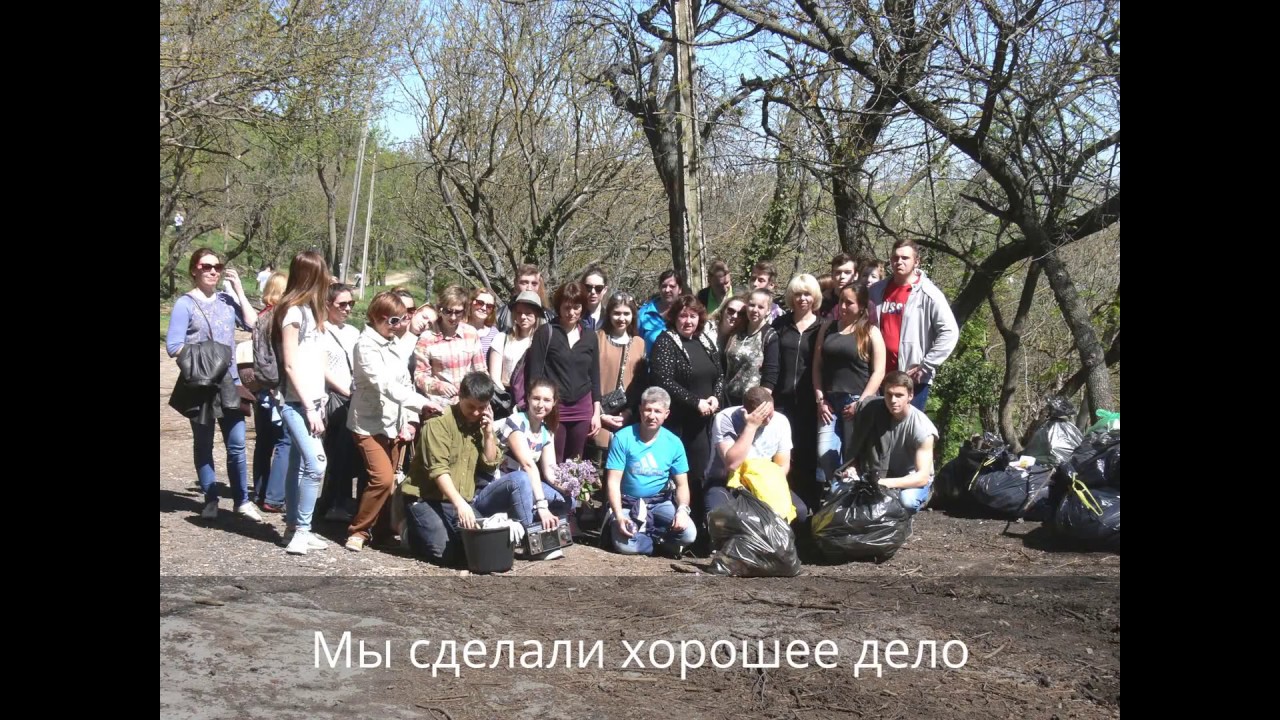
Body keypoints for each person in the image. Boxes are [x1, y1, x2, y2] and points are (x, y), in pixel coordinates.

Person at [401, 372, 537, 566]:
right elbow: (439, 471)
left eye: (481, 408)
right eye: (471, 407)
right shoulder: (438, 424)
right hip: (426, 498)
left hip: (456, 499)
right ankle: (411, 531)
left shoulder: (482, 424)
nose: (475, 413)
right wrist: (461, 505)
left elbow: (490, 464)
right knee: (445, 554)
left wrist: (488, 434)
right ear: (460, 397)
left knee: (479, 545)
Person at [166, 247, 261, 522]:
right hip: (201, 386)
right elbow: (173, 346)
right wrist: (206, 359)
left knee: (237, 444)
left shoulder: (226, 300)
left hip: (231, 383)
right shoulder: (185, 304)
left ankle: (242, 501)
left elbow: (253, 324)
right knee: (203, 444)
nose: (212, 271)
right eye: (206, 266)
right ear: (194, 270)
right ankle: (210, 499)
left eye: (217, 267)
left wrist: (239, 290)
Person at [344, 292, 436, 552]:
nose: (398, 326)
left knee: (393, 481)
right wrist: (421, 403)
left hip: (394, 422)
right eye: (393, 320)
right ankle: (359, 530)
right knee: (382, 478)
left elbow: (404, 382)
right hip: (367, 423)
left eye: (402, 319)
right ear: (376, 317)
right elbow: (384, 384)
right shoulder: (365, 345)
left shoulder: (393, 342)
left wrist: (409, 419)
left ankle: (381, 530)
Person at [274, 250, 335, 555]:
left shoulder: (313, 312)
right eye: (323, 273)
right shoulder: (293, 313)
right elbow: (289, 364)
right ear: (313, 276)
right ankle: (302, 530)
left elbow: (316, 362)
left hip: (313, 402)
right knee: (316, 463)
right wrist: (309, 407)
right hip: (295, 403)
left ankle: (292, 527)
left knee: (299, 465)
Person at [647, 294, 723, 520]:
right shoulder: (666, 341)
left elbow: (719, 374)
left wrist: (716, 397)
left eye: (693, 316)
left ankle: (700, 523)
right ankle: (678, 521)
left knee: (702, 473)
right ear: (674, 318)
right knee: (683, 474)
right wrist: (695, 402)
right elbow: (664, 380)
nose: (688, 321)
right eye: (683, 316)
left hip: (705, 421)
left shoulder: (704, 340)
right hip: (680, 423)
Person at [603, 387, 697, 556]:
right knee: (625, 546)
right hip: (628, 502)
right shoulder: (623, 438)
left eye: (658, 411)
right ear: (640, 410)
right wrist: (619, 515)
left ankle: (647, 536)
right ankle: (657, 541)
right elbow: (613, 482)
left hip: (659, 502)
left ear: (666, 414)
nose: (652, 416)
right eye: (648, 410)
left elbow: (682, 485)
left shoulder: (674, 443)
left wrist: (682, 510)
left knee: (689, 534)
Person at [812, 282, 886, 493]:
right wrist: (820, 399)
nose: (843, 306)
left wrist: (861, 403)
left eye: (849, 303)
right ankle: (842, 493)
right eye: (841, 301)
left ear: (862, 306)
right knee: (825, 452)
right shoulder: (828, 328)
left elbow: (879, 372)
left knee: (852, 459)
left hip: (856, 402)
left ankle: (849, 498)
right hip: (829, 403)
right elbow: (817, 366)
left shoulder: (871, 332)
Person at [868, 239, 959, 410]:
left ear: (916, 262)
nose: (899, 262)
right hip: (879, 376)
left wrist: (927, 365)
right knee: (879, 426)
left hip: (912, 379)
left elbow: (950, 332)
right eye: (895, 258)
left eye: (905, 258)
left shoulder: (929, 293)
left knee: (908, 426)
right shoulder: (876, 291)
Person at [835, 371, 940, 513]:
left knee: (907, 501)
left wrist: (882, 483)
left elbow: (922, 477)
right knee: (837, 490)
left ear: (910, 396)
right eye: (889, 394)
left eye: (899, 395)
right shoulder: (873, 411)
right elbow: (859, 448)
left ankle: (921, 501)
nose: (893, 400)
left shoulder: (922, 428)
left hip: (909, 480)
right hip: (878, 474)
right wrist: (852, 468)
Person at [704, 387, 808, 529]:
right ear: (746, 412)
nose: (769, 420)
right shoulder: (726, 418)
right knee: (721, 518)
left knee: (799, 512)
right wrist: (751, 427)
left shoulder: (781, 421)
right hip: (725, 482)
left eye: (770, 414)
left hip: (764, 481)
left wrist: (764, 487)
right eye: (763, 416)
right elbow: (732, 464)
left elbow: (782, 466)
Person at [524, 282, 602, 461]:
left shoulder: (590, 336)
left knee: (576, 460)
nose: (571, 312)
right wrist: (538, 408)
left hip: (583, 407)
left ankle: (575, 482)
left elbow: (595, 377)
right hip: (554, 407)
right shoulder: (545, 333)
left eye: (576, 307)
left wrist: (596, 412)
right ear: (559, 306)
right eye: (567, 307)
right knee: (554, 459)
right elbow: (535, 376)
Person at [493, 378, 574, 539]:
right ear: (528, 398)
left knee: (568, 500)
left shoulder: (546, 432)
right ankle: (529, 536)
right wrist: (542, 505)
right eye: (536, 398)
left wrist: (571, 487)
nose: (540, 404)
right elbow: (528, 465)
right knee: (523, 482)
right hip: (500, 483)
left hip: (525, 484)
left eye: (547, 400)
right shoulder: (516, 421)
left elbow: (550, 472)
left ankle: (541, 528)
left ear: (554, 402)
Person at [770, 273, 823, 506]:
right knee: (782, 454)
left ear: (815, 297)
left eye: (807, 294)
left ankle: (808, 507)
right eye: (798, 294)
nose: (802, 299)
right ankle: (781, 504)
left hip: (810, 401)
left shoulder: (823, 327)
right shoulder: (780, 325)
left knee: (808, 454)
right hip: (781, 401)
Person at [316, 283, 365, 523]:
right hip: (335, 399)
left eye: (350, 304)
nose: (347, 309)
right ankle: (332, 502)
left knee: (350, 452)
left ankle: (343, 501)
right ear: (327, 304)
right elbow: (322, 369)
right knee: (337, 451)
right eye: (342, 304)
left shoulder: (353, 332)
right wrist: (346, 391)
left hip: (355, 397)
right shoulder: (319, 331)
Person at [413, 286, 487, 412]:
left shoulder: (471, 333)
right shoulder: (426, 338)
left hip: (468, 405)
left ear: (464, 311)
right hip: (439, 406)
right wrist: (439, 386)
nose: (453, 317)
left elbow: (481, 371)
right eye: (448, 311)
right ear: (440, 309)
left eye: (458, 312)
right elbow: (420, 376)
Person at [592, 291, 647, 450]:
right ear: (609, 314)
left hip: (629, 417)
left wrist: (628, 412)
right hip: (597, 415)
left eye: (626, 314)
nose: (621, 318)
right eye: (616, 313)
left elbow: (641, 383)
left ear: (633, 315)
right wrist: (600, 414)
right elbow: (587, 377)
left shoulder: (639, 343)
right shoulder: (597, 338)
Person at [722, 288, 780, 406]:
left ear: (768, 310)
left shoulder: (769, 336)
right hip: (727, 399)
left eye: (760, 307)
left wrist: (762, 403)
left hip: (752, 403)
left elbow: (771, 374)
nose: (755, 310)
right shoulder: (737, 330)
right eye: (752, 305)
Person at [487, 291, 544, 393]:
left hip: (533, 395)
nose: (523, 317)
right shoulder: (501, 339)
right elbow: (494, 377)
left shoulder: (542, 342)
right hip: (505, 393)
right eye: (519, 312)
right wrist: (505, 397)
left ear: (536, 315)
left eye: (528, 313)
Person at [637, 270, 686, 354]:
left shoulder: (686, 313)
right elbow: (635, 346)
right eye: (664, 286)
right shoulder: (643, 314)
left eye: (672, 286)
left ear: (680, 289)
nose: (667, 290)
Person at [819, 253, 857, 319]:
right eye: (838, 272)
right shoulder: (820, 302)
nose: (842, 276)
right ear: (832, 275)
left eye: (847, 272)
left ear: (856, 275)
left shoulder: (864, 301)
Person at [467, 287, 500, 359]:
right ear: (471, 303)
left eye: (489, 306)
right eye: (480, 303)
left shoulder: (495, 335)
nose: (484, 308)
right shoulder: (458, 329)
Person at [579, 265, 610, 331]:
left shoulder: (610, 318)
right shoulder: (574, 315)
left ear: (605, 290)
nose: (593, 292)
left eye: (598, 288)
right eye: (588, 287)